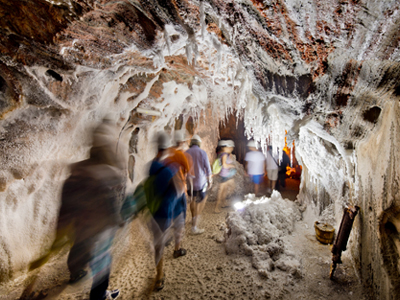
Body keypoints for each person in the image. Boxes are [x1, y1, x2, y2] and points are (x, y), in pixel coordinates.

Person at [56, 120, 125, 300]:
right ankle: (100, 295)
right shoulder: (108, 173)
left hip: (80, 226)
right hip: (99, 229)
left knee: (79, 247)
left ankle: (76, 272)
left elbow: (66, 204)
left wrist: (61, 228)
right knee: (102, 264)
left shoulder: (77, 171)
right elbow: (112, 204)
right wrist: (117, 219)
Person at [146, 131, 179, 291]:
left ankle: (159, 273)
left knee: (157, 243)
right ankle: (159, 277)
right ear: (165, 149)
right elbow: (177, 192)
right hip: (164, 212)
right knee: (160, 244)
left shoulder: (151, 166)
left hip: (152, 212)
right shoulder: (169, 169)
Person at [163, 130, 191, 258]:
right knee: (179, 218)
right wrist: (189, 191)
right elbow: (187, 172)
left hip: (165, 190)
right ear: (182, 142)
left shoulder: (166, 153)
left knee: (168, 214)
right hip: (178, 190)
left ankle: (166, 237)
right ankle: (177, 248)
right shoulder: (180, 154)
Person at [185, 134, 212, 234]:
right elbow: (208, 169)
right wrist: (210, 181)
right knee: (201, 201)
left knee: (192, 200)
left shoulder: (186, 153)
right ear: (199, 143)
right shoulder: (202, 152)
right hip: (201, 182)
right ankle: (194, 226)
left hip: (190, 182)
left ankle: (193, 218)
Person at [215, 140, 236, 213]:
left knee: (224, 190)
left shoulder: (225, 154)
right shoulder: (224, 155)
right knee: (221, 191)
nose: (232, 148)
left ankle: (223, 203)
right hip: (225, 175)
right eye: (231, 147)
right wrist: (232, 166)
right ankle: (216, 208)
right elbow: (224, 165)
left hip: (226, 175)